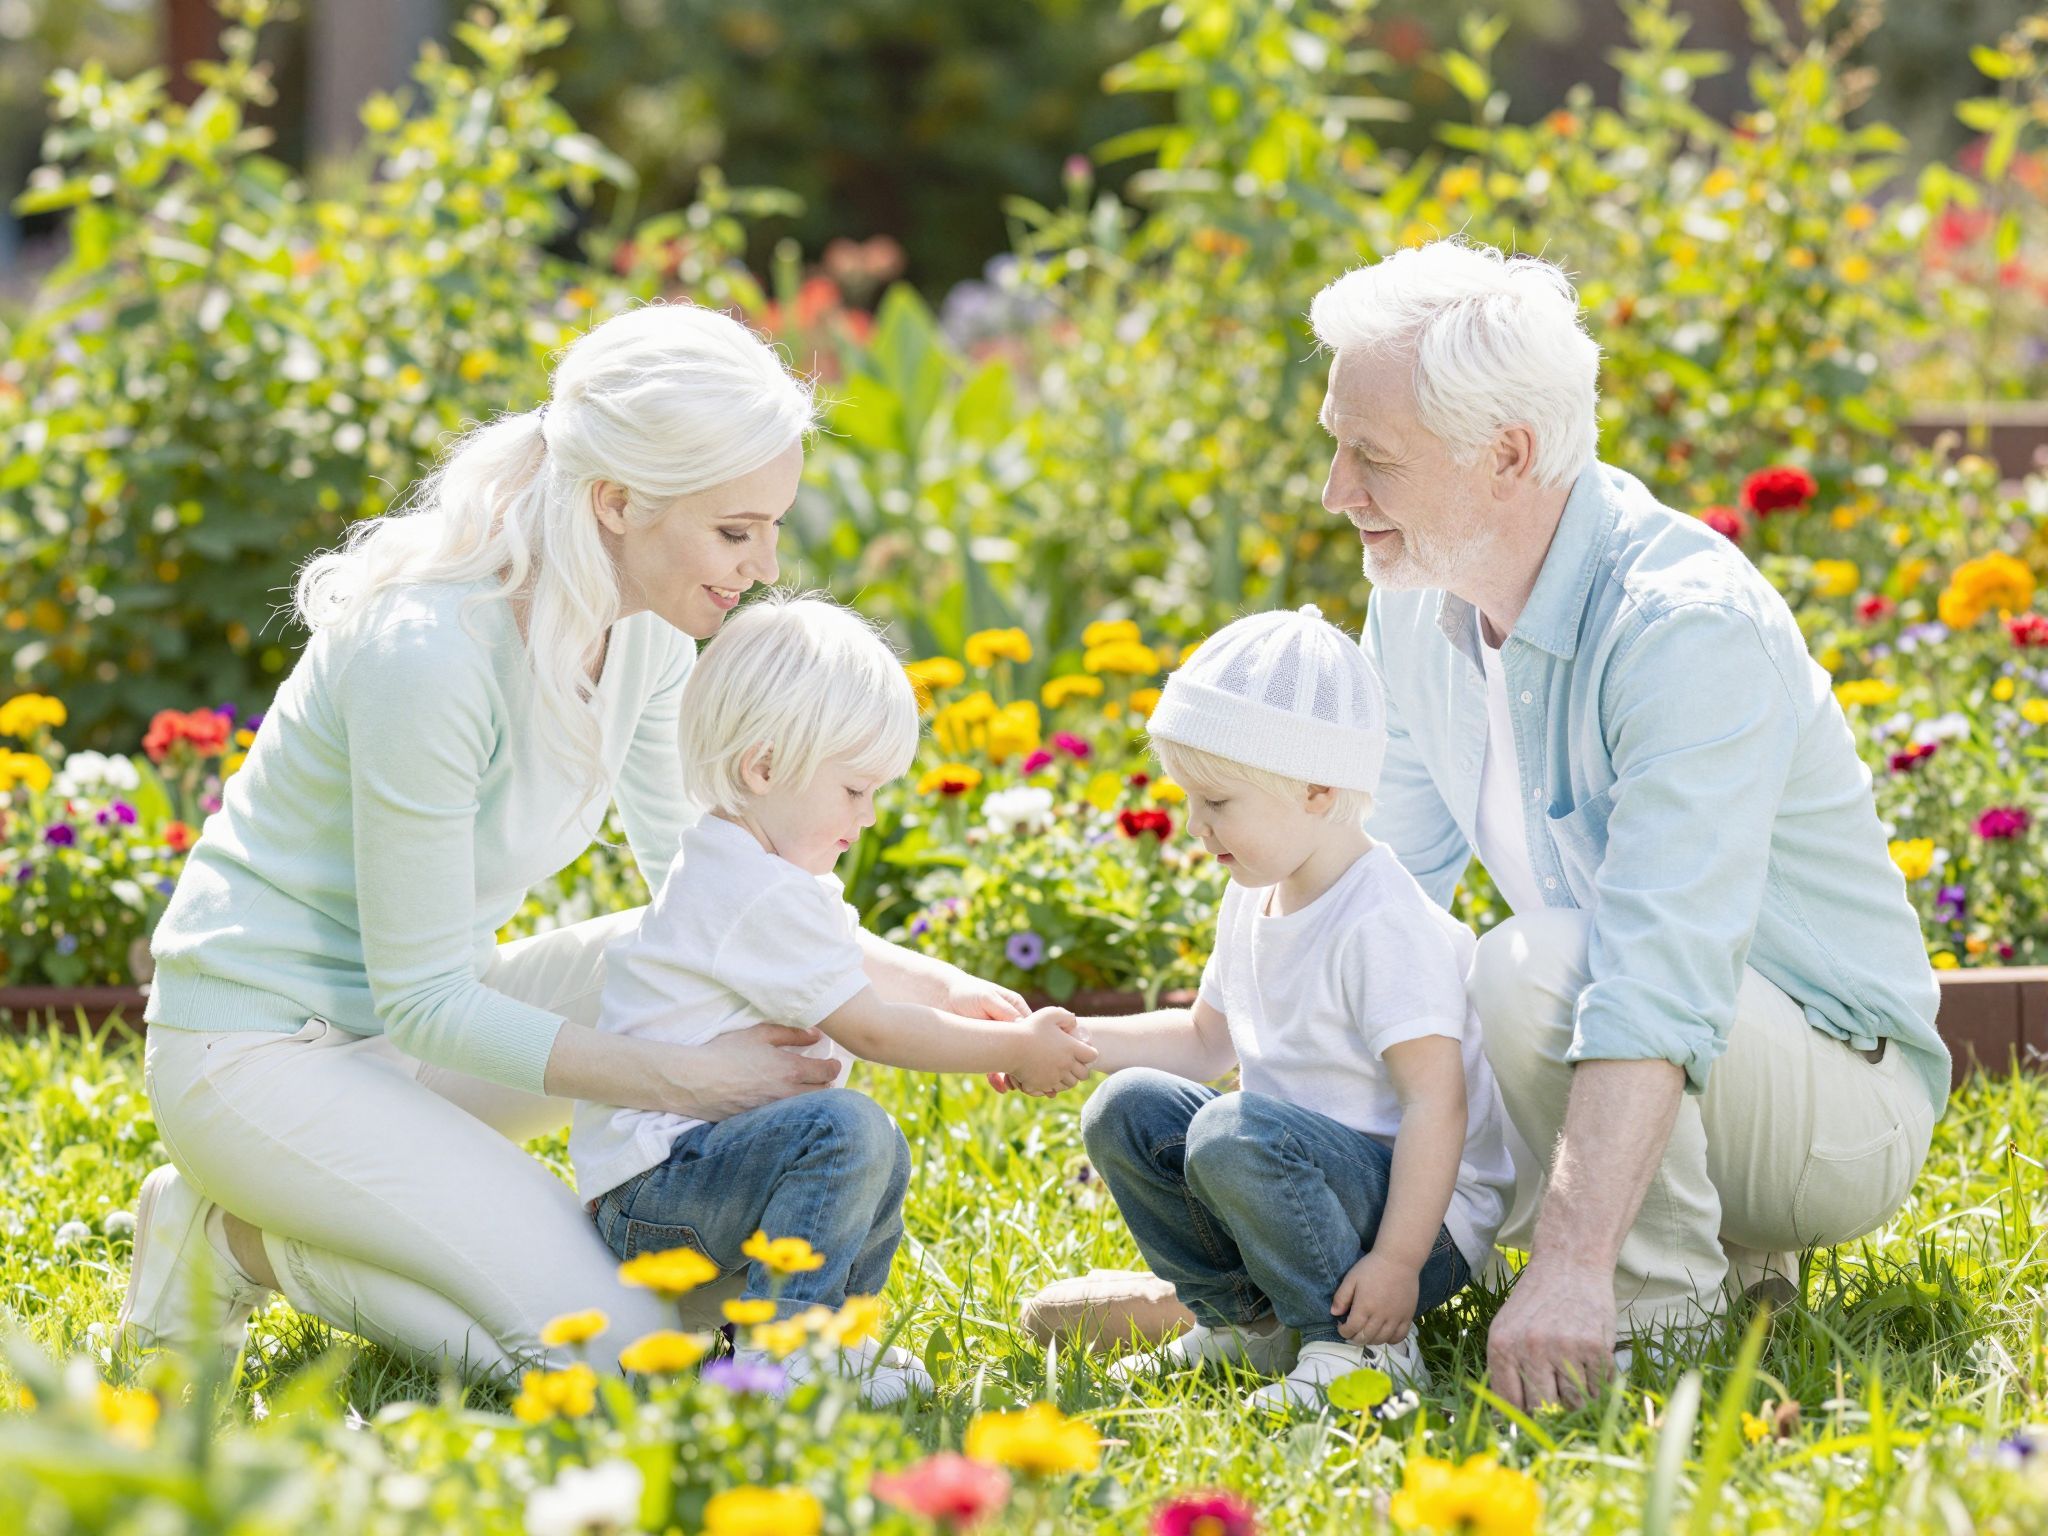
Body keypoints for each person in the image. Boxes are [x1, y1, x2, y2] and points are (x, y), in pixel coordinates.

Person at [122, 302, 1032, 1374]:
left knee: (684, 1031)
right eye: (735, 531)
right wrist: (692, 1081)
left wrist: (933, 988)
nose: (764, 566)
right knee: (623, 1358)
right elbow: (426, 1002)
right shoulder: (428, 654)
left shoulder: (644, 637)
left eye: (772, 527)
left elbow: (721, 887)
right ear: (616, 502)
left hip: (416, 1043)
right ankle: (224, 1240)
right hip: (260, 1058)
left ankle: (353, 1208)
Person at [1307, 238, 1947, 1409]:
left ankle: (1652, 1325)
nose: (1334, 491)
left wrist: (1566, 1261)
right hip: (1655, 1055)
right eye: (1335, 445)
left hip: (1840, 1109)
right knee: (1428, 986)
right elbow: (1367, 899)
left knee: (1534, 968)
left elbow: (1656, 970)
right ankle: (1271, 1302)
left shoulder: (1682, 627)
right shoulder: (1413, 607)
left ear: (1506, 453)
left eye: (1373, 457)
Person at [572, 590, 1096, 1405]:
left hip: (696, 1177)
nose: (869, 816)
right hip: (657, 1196)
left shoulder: (760, 870)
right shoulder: (753, 892)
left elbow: (856, 955)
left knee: (873, 1147)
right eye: (855, 790)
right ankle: (786, 1354)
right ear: (764, 768)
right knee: (848, 1132)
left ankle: (836, 1337)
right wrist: (1013, 1050)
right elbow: (874, 1030)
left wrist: (953, 989)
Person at [1067, 604, 1513, 1411]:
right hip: (1295, 1177)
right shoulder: (1255, 892)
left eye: (1217, 802)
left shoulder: (1381, 921)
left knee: (1231, 1129)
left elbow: (1436, 1104)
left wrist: (1398, 1263)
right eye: (1189, 799)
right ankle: (1250, 1322)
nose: (1194, 826)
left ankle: (1365, 1351)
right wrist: (1071, 1039)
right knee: (1125, 1108)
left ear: (1317, 790)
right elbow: (1204, 1041)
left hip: (1420, 1224)